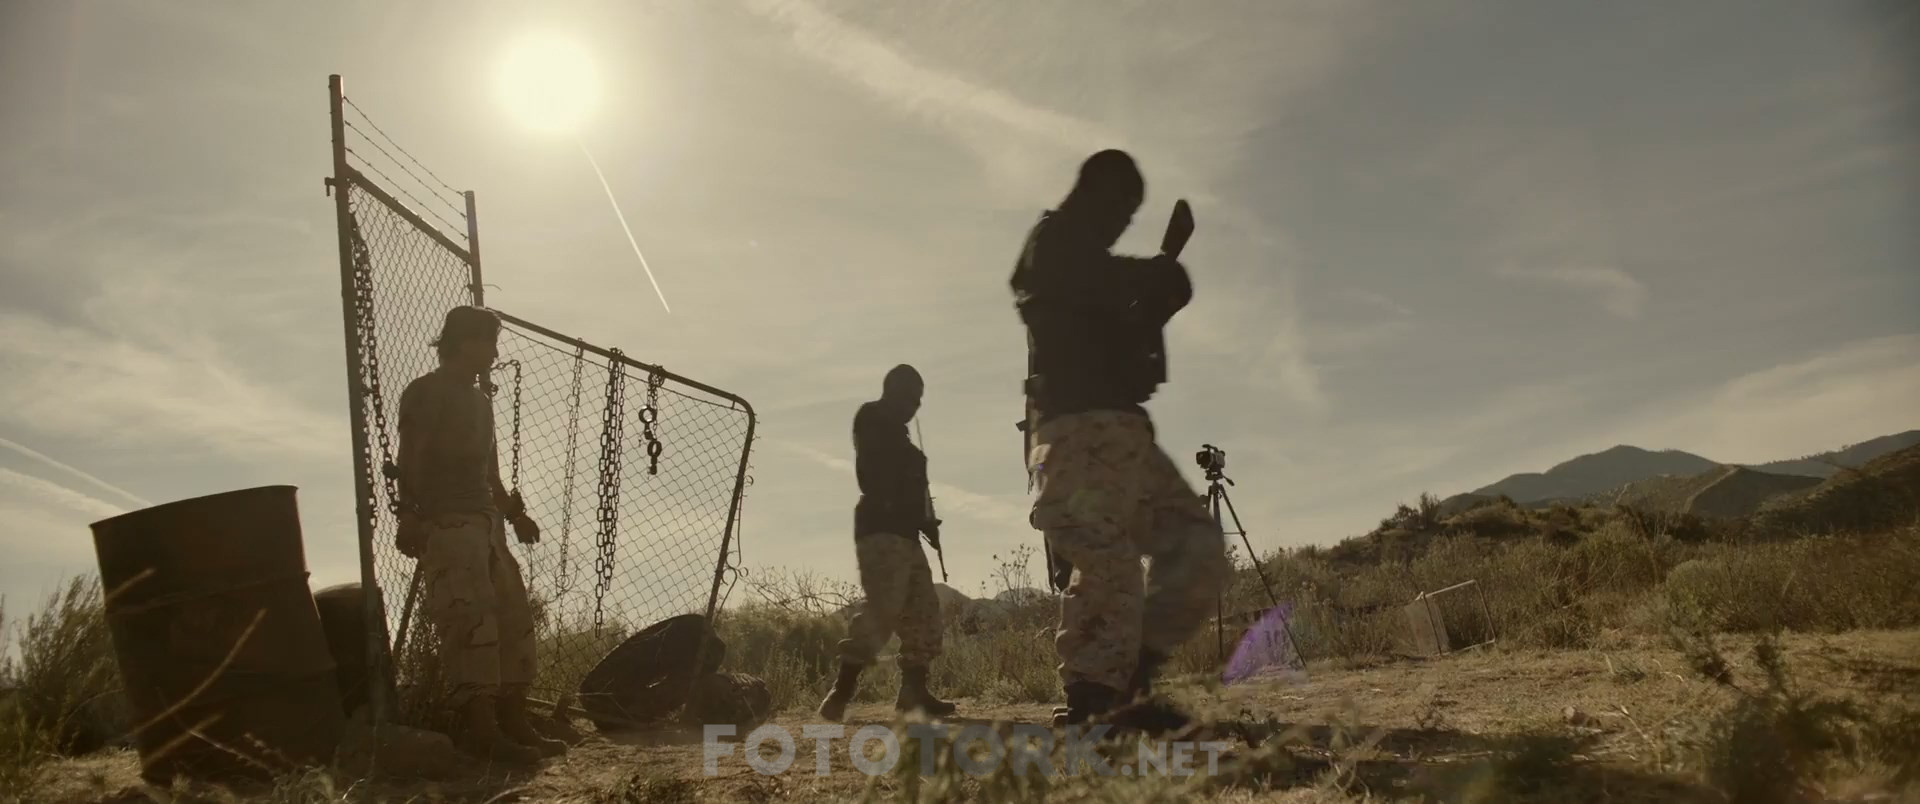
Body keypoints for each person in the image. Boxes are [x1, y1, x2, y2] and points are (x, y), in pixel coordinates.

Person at [1011, 150, 1231, 727]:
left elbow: (1128, 321)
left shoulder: (1096, 272)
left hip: (1127, 431)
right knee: (1109, 565)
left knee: (1197, 548)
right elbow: (1070, 283)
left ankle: (1131, 685)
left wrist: (1159, 294)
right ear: (1095, 194)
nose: (1122, 223)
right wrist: (1153, 275)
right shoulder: (1052, 244)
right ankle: (1095, 700)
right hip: (1077, 429)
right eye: (1120, 209)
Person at [394, 305, 569, 764]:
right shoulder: (426, 392)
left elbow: (490, 475)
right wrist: (408, 515)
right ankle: (483, 733)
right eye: (488, 342)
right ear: (463, 342)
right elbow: (410, 457)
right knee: (469, 623)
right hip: (448, 523)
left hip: (487, 524)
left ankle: (514, 722)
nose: (493, 353)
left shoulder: (480, 402)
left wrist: (515, 515)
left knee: (513, 619)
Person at [816, 364, 960, 722]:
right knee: (883, 609)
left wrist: (926, 522)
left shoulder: (901, 437)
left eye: (918, 400)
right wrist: (914, 469)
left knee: (924, 612)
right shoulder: (873, 418)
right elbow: (880, 472)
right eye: (911, 397)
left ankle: (913, 693)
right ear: (893, 391)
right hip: (880, 529)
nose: (915, 406)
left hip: (906, 534)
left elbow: (912, 488)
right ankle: (841, 692)